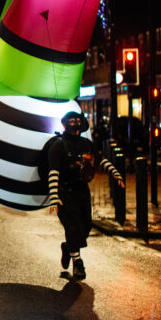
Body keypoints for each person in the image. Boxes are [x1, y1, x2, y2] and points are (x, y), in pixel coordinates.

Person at [47, 111, 123, 280]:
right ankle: (78, 263)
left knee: (85, 227)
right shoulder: (58, 146)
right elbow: (53, 172)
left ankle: (68, 247)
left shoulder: (86, 144)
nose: (75, 123)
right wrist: (54, 196)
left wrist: (115, 173)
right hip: (64, 193)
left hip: (82, 191)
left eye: (78, 120)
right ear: (65, 124)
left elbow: (100, 160)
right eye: (72, 120)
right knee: (73, 227)